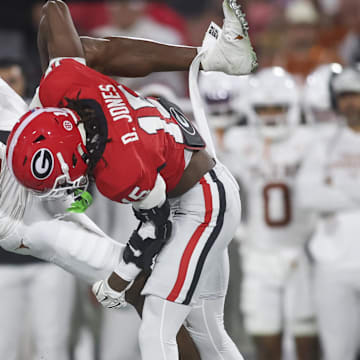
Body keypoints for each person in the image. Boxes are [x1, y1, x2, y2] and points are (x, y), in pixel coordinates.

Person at [5, 1, 257, 359]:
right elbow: (54, 9)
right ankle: (212, 56)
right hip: (196, 183)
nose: (66, 186)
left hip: (201, 203)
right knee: (205, 325)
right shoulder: (62, 85)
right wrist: (39, 111)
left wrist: (119, 279)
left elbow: (155, 230)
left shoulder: (118, 170)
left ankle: (215, 57)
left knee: (156, 322)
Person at [224, 67, 319, 360]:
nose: (270, 115)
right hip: (258, 253)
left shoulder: (309, 140)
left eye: (278, 107)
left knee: (306, 334)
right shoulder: (239, 142)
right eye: (263, 108)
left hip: (300, 250)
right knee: (264, 335)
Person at [297, 64, 360, 360]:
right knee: (337, 352)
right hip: (332, 261)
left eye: (356, 95)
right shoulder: (321, 143)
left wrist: (338, 187)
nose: (351, 102)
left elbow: (324, 194)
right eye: (345, 95)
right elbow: (307, 195)